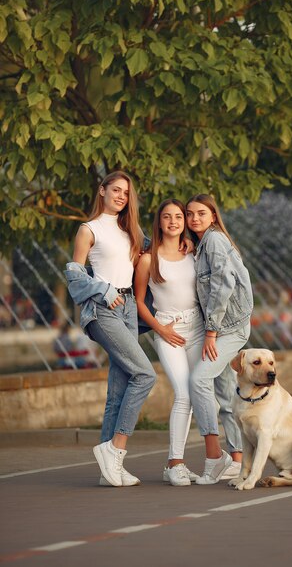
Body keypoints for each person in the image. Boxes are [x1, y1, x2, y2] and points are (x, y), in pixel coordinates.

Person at [65, 171, 157, 488]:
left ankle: (109, 471)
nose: (121, 196)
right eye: (115, 190)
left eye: (126, 193)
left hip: (130, 308)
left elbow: (156, 252)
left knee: (117, 392)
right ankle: (115, 450)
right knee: (146, 374)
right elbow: (74, 275)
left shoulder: (130, 230)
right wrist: (104, 291)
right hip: (104, 308)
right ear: (102, 190)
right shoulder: (88, 229)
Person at [185, 193, 253, 484]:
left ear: (213, 215)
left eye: (201, 213)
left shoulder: (214, 240)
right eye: (190, 214)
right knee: (226, 397)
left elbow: (223, 285)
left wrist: (211, 332)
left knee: (199, 380)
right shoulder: (202, 245)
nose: (194, 218)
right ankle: (238, 461)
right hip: (225, 327)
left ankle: (216, 457)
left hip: (230, 328)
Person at [135, 199, 203, 486]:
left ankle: (222, 457)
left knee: (201, 393)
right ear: (159, 222)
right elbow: (138, 301)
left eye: (178, 216)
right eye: (167, 217)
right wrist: (160, 329)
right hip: (168, 331)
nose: (173, 221)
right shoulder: (148, 258)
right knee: (184, 394)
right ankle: (175, 463)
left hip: (198, 329)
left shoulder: (194, 253)